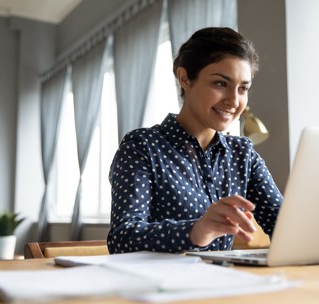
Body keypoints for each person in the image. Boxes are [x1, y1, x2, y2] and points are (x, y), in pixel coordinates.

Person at [107, 27, 282, 254]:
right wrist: (196, 231)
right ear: (185, 78)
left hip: (223, 282)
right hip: (160, 285)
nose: (234, 100)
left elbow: (283, 225)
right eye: (220, 83)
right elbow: (122, 238)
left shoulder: (243, 154)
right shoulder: (142, 147)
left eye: (243, 88)